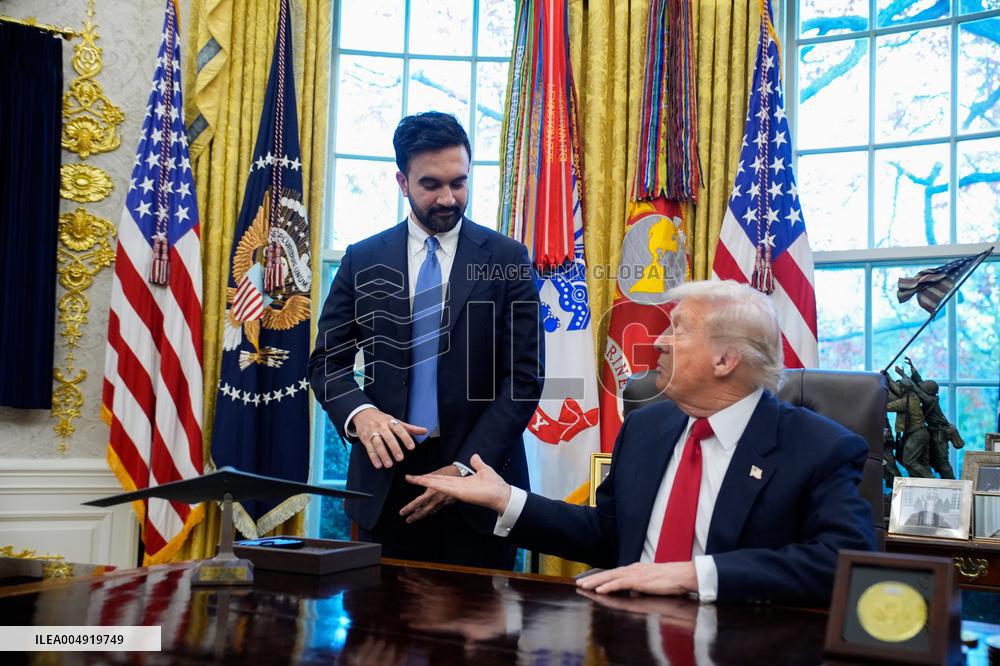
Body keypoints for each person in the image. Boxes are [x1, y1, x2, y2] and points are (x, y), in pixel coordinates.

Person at [409, 280, 876, 605]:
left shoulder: (820, 448)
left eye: (678, 329)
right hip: (628, 632)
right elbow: (607, 535)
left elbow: (842, 564)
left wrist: (691, 575)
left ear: (725, 360)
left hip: (741, 639)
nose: (658, 343)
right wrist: (504, 498)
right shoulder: (646, 428)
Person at [308, 112, 542, 569]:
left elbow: (525, 377)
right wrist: (362, 414)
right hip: (384, 482)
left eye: (459, 183)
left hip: (481, 481)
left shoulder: (508, 258)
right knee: (377, 614)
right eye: (431, 184)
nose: (448, 198)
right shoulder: (362, 259)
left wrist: (464, 468)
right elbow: (327, 363)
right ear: (402, 181)